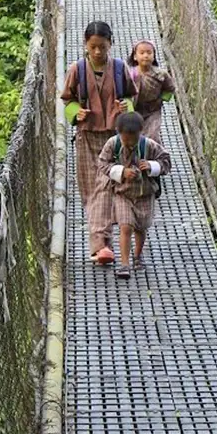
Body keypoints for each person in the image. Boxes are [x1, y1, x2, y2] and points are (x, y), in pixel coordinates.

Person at [61, 21, 138, 264]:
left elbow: (131, 94)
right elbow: (67, 99)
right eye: (93, 47)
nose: (97, 52)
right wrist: (76, 112)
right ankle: (103, 243)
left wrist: (126, 107)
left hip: (113, 138)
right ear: (85, 45)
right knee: (91, 192)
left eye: (102, 47)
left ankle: (100, 245)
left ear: (110, 44)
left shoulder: (118, 68)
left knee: (104, 186)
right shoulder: (78, 69)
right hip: (86, 136)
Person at [98, 112, 171, 278]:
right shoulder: (113, 144)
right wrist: (121, 171)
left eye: (133, 139)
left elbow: (166, 161)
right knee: (125, 226)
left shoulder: (149, 145)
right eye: (126, 139)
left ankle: (138, 256)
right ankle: (124, 264)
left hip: (144, 193)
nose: (130, 143)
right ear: (119, 133)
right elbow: (102, 163)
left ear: (140, 132)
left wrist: (152, 166)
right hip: (123, 193)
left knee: (141, 227)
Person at [127, 39, 175, 142]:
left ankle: (155, 154)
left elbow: (170, 88)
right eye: (142, 53)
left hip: (153, 110)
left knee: (152, 135)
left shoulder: (161, 75)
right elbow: (124, 91)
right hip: (135, 109)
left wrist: (162, 99)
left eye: (149, 53)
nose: (145, 56)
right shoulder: (131, 74)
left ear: (154, 56)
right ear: (135, 56)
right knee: (134, 135)